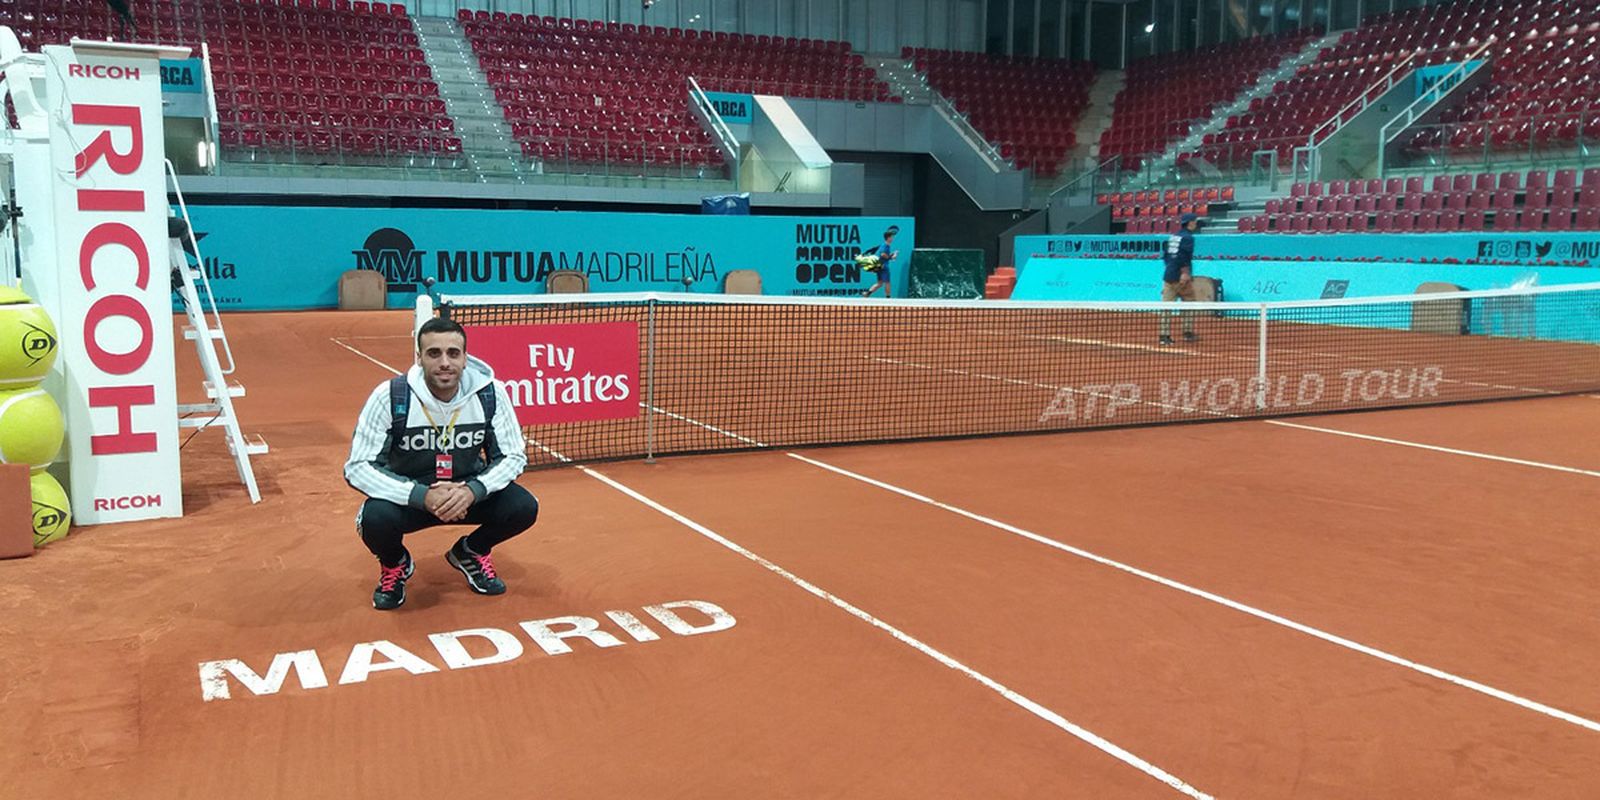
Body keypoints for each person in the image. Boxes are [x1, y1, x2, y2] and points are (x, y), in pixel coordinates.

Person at [344, 317, 536, 611]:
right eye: (434, 353)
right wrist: (421, 496)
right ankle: (395, 564)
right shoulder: (390, 396)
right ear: (419, 358)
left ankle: (471, 551)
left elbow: (513, 456)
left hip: (465, 494)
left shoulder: (490, 393)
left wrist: (473, 490)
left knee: (523, 507)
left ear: (465, 358)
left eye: (453, 353)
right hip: (409, 498)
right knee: (375, 519)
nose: (445, 362)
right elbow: (358, 466)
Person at [1159, 213, 1202, 345]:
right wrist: (1184, 273)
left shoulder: (1173, 236)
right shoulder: (1188, 238)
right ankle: (1187, 332)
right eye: (1194, 221)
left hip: (1168, 275)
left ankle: (1164, 335)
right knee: (1189, 303)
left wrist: (1171, 268)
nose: (1195, 223)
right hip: (1181, 277)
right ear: (1189, 223)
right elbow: (1184, 256)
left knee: (1167, 307)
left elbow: (1166, 256)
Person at [860, 225, 900, 298]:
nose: (892, 238)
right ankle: (888, 297)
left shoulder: (885, 245)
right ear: (888, 238)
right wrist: (891, 257)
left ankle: (867, 293)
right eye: (891, 237)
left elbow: (884, 255)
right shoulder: (885, 245)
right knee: (887, 282)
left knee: (880, 283)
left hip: (880, 266)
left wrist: (892, 254)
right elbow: (883, 254)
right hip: (884, 267)